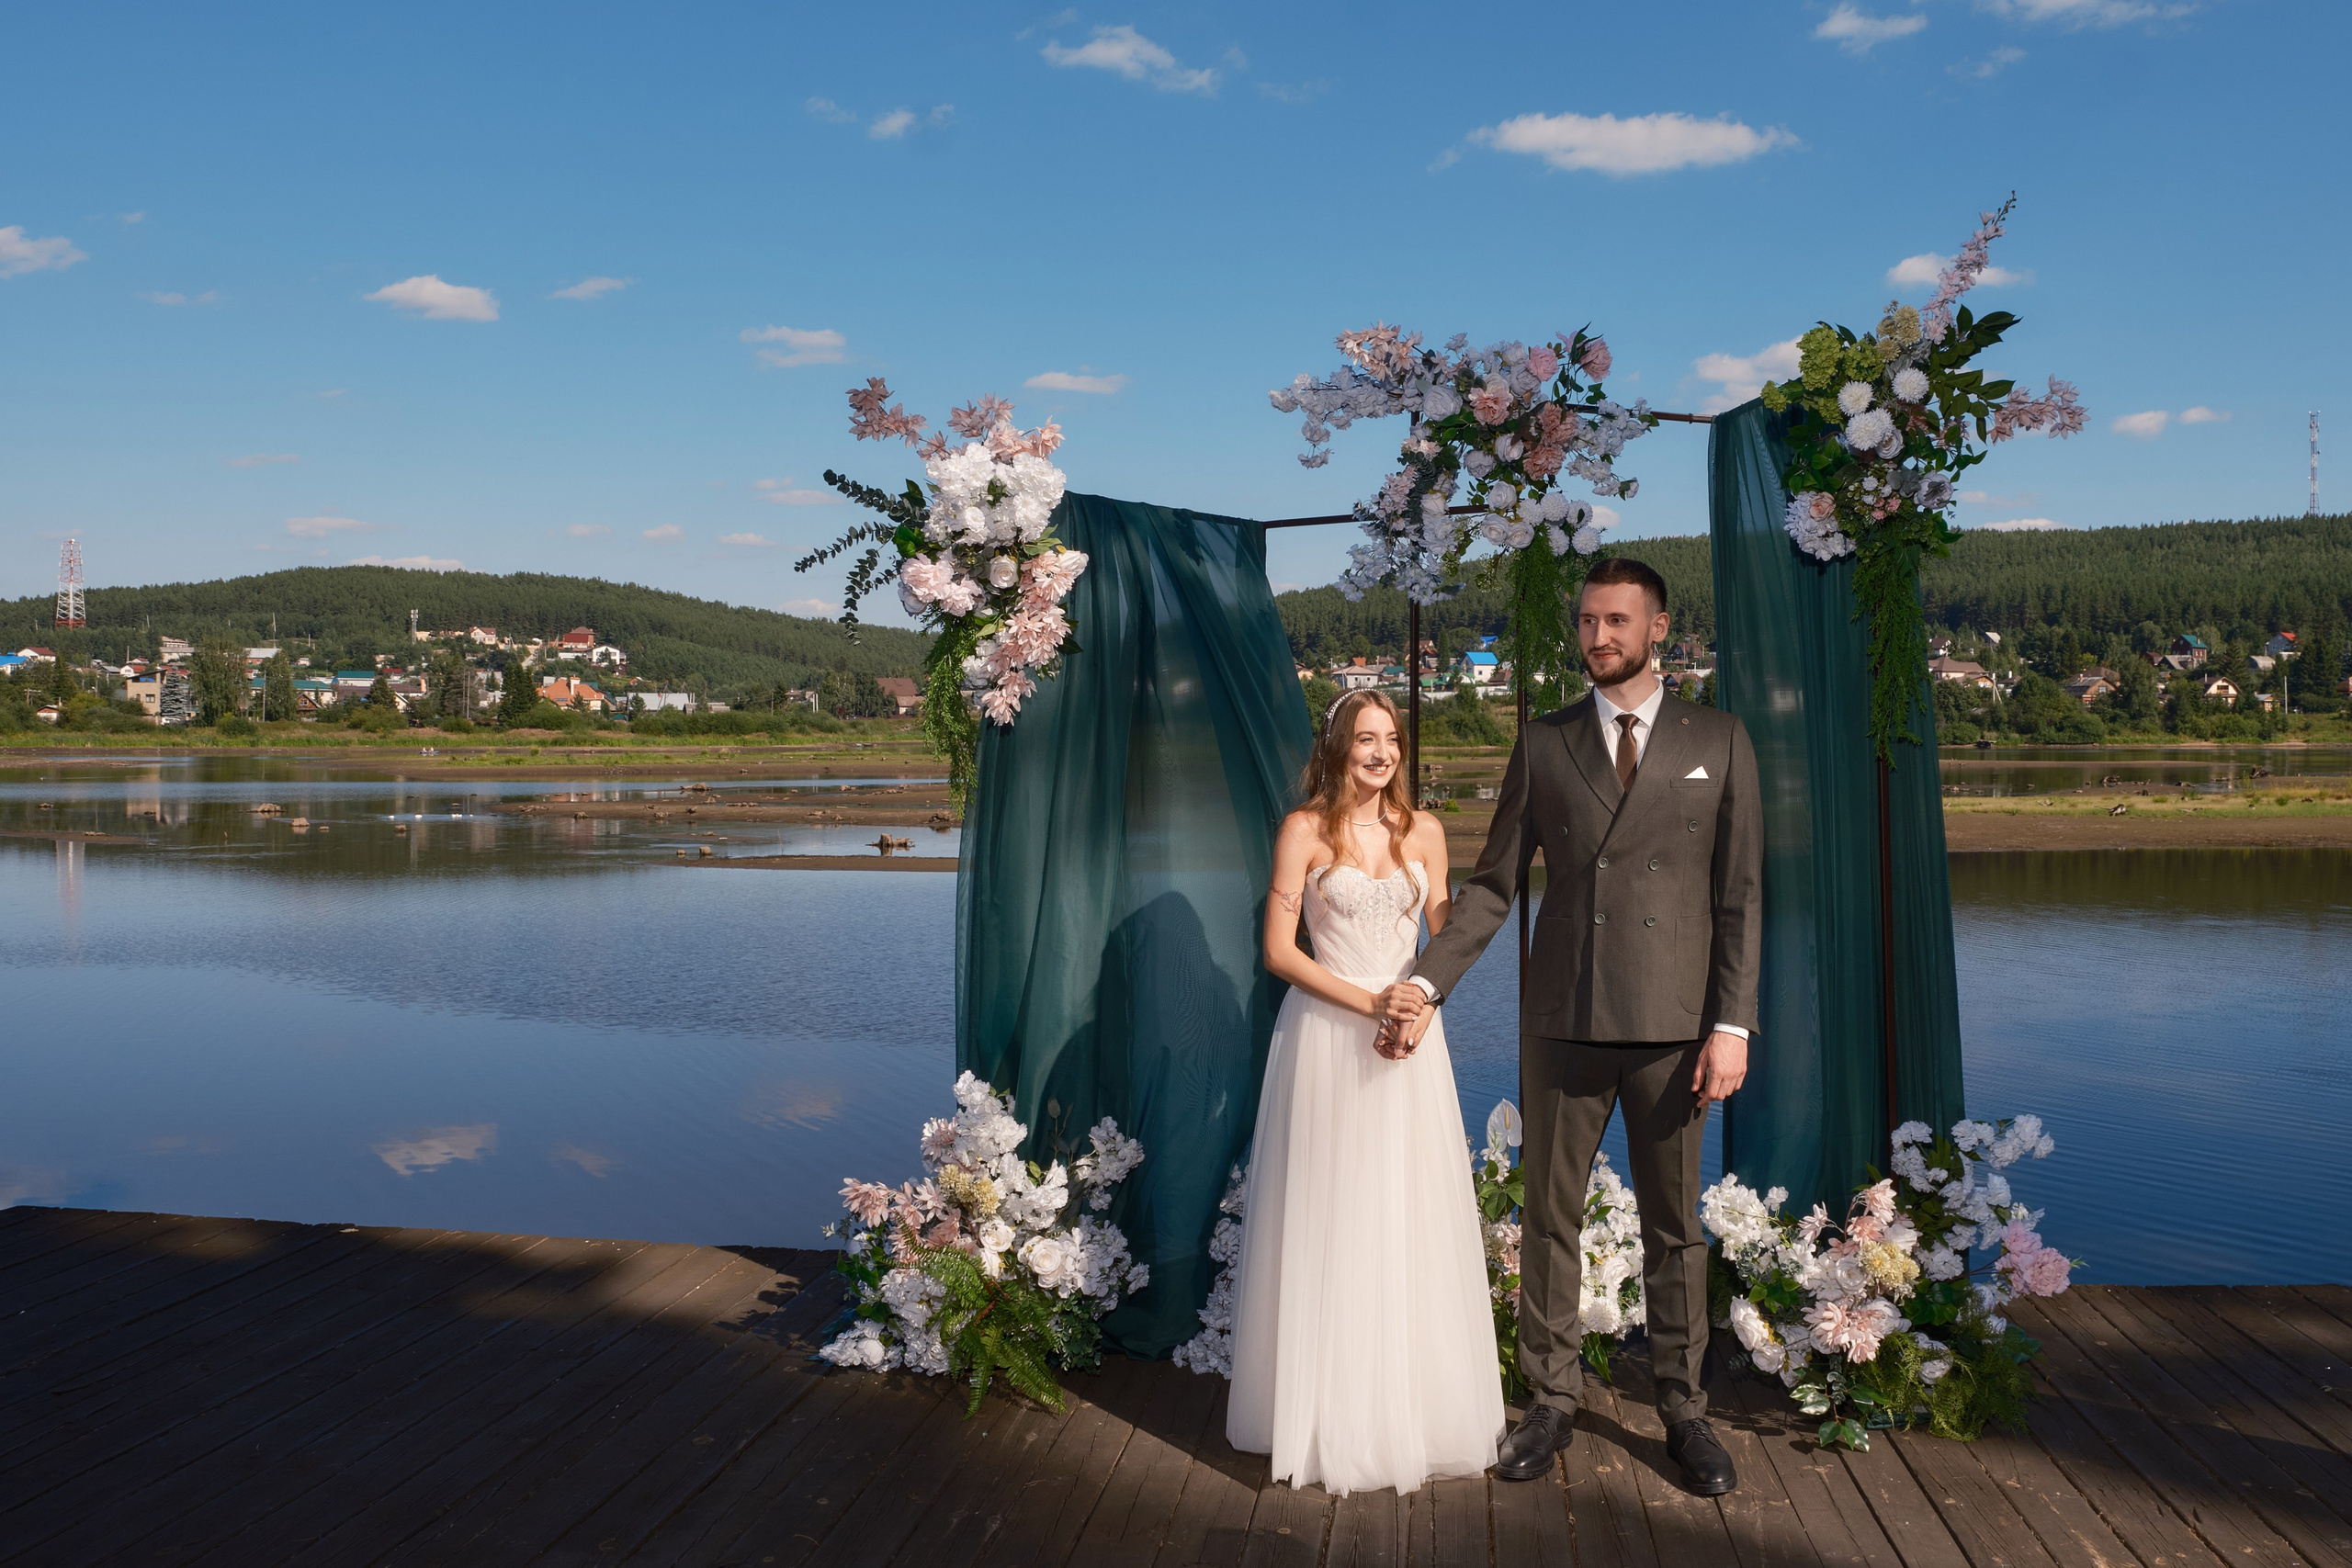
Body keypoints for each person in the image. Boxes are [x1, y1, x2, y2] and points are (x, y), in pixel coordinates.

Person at [1375, 556, 1762, 1497]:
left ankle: (1684, 1411)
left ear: (1659, 629)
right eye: (1587, 622)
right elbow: (1495, 884)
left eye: (1617, 622)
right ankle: (1549, 1401)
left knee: (1676, 1230)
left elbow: (1740, 897)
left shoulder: (1719, 737)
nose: (1598, 638)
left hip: (1675, 1030)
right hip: (1562, 1020)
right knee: (1548, 1220)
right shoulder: (1545, 743)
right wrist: (1425, 983)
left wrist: (1733, 1025)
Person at [1225, 688, 1505, 1496]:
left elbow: (1448, 935)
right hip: (1324, 1038)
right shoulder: (1305, 830)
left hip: (1414, 1039)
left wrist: (1420, 1001)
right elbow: (1280, 951)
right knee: (1330, 1215)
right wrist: (1371, 1001)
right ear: (1338, 745)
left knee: (1405, 1212)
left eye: (1391, 740)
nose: (1380, 753)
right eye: (1365, 739)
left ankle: (1412, 1410)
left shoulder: (1424, 830)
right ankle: (1323, 1415)